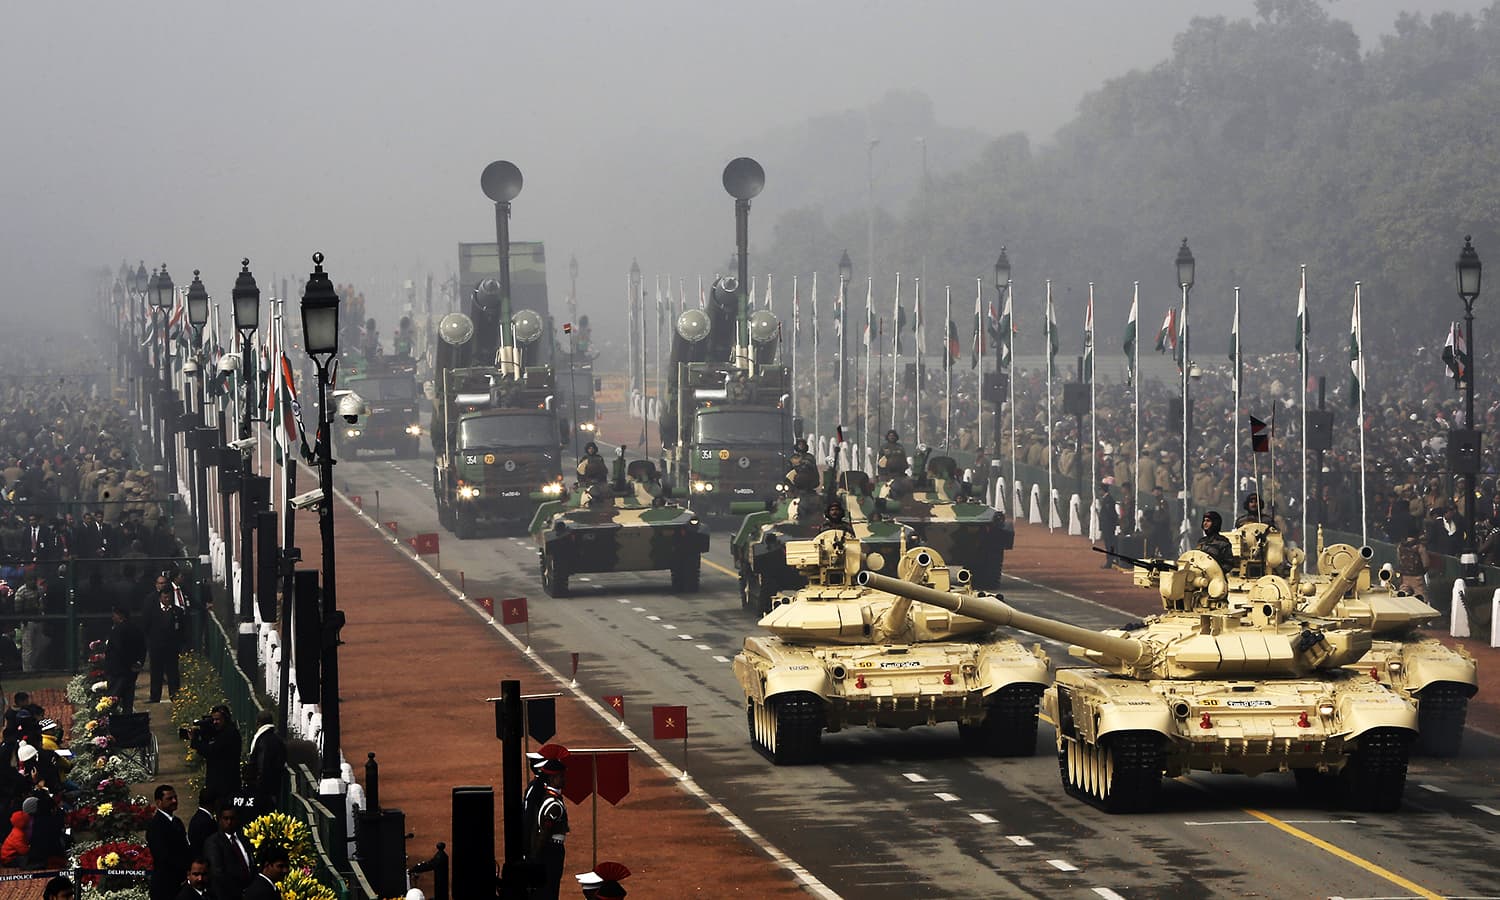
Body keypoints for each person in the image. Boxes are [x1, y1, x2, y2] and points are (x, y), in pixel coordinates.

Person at [526, 752, 570, 900]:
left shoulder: (547, 797)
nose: (564, 779)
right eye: (561, 776)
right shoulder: (554, 805)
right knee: (549, 889)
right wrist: (535, 857)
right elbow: (544, 833)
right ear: (552, 778)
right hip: (551, 851)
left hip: (548, 851)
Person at [190, 707, 242, 808]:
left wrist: (195, 741)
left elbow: (210, 751)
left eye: (218, 719)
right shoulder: (222, 732)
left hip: (226, 784)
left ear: (225, 719)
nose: (215, 722)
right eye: (213, 720)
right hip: (220, 782)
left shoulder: (229, 734)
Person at [148, 785, 191, 900]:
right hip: (165, 885)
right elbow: (162, 855)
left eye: (175, 797)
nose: (174, 801)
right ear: (158, 802)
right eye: (169, 798)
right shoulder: (155, 826)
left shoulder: (177, 822)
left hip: (179, 882)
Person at [143, 584, 184, 703]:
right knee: (156, 673)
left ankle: (175, 696)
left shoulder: (178, 611)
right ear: (160, 598)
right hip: (156, 648)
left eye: (169, 597)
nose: (167, 600)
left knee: (173, 673)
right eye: (164, 597)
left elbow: (182, 630)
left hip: (171, 648)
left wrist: (180, 645)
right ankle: (155, 696)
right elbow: (146, 628)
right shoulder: (152, 612)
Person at [204, 804, 255, 900]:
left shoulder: (243, 839)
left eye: (232, 818)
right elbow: (218, 874)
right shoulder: (213, 843)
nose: (229, 822)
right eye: (226, 819)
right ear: (219, 820)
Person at [243, 710, 286, 819]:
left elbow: (262, 766)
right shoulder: (278, 740)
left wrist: (257, 784)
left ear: (258, 723)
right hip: (274, 789)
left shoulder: (262, 740)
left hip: (261, 791)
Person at [104, 604, 146, 714]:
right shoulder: (136, 629)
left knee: (112, 700)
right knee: (128, 701)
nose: (112, 617)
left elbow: (119, 650)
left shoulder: (117, 630)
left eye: (114, 615)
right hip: (131, 671)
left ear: (120, 616)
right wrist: (138, 663)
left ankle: (111, 723)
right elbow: (143, 647)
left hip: (117, 671)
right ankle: (128, 723)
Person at [1143, 485, 1173, 557]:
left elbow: (1164, 516)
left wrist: (1157, 521)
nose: (1155, 493)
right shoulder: (1152, 502)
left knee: (1162, 546)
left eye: (1157, 491)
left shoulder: (1163, 502)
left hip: (1161, 528)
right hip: (1154, 527)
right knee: (1152, 545)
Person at [1097, 483, 1120, 567]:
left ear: (1103, 490)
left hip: (1108, 526)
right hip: (1107, 525)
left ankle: (1110, 561)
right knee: (1109, 544)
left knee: (1109, 544)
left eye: (1100, 490)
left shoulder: (1108, 499)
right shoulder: (1106, 499)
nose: (1099, 491)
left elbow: (1111, 513)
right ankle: (1112, 560)